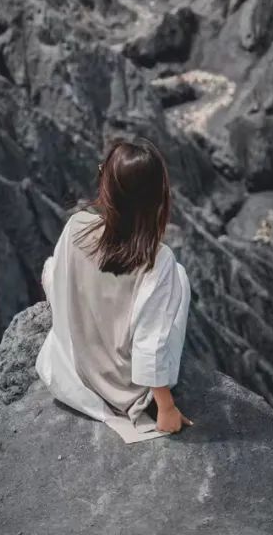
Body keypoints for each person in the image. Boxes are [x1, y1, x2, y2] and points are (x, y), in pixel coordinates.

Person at [36, 138, 192, 443]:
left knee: (56, 266)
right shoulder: (157, 260)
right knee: (180, 278)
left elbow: (55, 279)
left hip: (75, 374)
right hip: (125, 389)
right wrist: (166, 409)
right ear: (158, 199)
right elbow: (150, 344)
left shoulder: (76, 226)